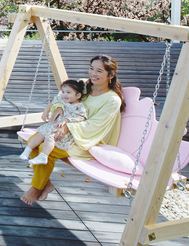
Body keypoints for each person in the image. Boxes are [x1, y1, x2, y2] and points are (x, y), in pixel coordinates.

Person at [20, 55, 126, 205]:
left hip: (86, 139)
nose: (93, 74)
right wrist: (58, 109)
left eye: (99, 71)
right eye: (91, 69)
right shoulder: (83, 84)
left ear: (111, 75)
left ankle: (36, 187)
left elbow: (95, 126)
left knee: (45, 147)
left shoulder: (112, 100)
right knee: (33, 140)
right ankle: (46, 183)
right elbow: (62, 97)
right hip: (64, 130)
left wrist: (67, 127)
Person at [19, 79, 88, 165]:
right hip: (53, 125)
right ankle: (27, 150)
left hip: (63, 131)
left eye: (68, 92)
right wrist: (45, 112)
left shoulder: (80, 107)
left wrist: (66, 120)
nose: (64, 94)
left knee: (49, 137)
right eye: (63, 91)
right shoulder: (62, 100)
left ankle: (44, 156)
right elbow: (52, 104)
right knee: (40, 133)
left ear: (78, 95)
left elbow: (81, 117)